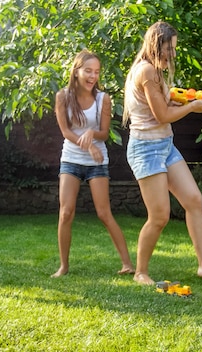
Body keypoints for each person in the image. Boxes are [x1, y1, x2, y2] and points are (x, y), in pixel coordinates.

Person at [122, 21, 202, 285]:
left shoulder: (154, 71)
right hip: (146, 150)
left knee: (193, 199)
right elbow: (162, 115)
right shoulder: (146, 72)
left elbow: (163, 104)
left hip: (165, 146)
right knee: (159, 216)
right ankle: (140, 272)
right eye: (169, 48)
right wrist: (193, 107)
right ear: (157, 44)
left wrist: (183, 98)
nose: (172, 54)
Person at [52, 50, 135, 277]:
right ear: (76, 71)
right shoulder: (62, 97)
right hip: (71, 158)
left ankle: (128, 263)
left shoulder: (103, 99)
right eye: (88, 71)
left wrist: (92, 134)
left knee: (104, 213)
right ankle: (64, 266)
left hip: (98, 161)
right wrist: (87, 144)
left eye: (96, 72)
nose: (92, 76)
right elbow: (66, 132)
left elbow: (104, 133)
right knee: (66, 212)